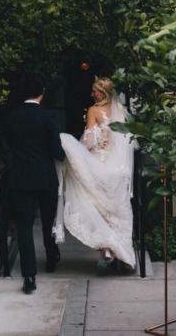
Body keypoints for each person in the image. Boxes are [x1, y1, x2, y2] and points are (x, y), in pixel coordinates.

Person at [53, 77, 137, 271]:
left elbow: (89, 141)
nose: (91, 94)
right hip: (116, 167)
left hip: (98, 163)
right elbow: (125, 142)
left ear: (103, 93)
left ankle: (107, 247)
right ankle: (122, 255)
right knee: (116, 208)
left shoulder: (93, 111)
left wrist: (78, 153)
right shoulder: (120, 112)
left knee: (96, 204)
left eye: (94, 91)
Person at [4, 76, 66, 294]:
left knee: (24, 227)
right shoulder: (48, 117)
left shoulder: (11, 117)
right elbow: (57, 152)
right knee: (49, 221)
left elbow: (8, 146)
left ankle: (29, 276)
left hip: (20, 177)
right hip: (45, 178)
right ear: (42, 92)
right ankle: (51, 258)